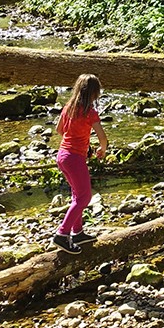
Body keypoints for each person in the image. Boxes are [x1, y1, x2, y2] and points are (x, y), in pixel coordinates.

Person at [52, 73, 108, 251]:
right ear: (93, 94)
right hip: (75, 158)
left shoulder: (68, 107)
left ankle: (78, 232)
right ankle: (62, 234)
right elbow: (103, 138)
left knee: (77, 195)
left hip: (62, 156)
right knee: (85, 197)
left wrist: (80, 141)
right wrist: (102, 149)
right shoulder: (90, 113)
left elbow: (59, 129)